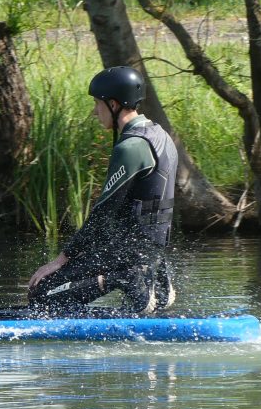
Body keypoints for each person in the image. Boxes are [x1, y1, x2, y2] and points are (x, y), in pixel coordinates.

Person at [27, 66, 178, 315]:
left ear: (114, 104)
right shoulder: (160, 134)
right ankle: (151, 281)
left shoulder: (132, 146)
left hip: (126, 253)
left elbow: (103, 214)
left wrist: (60, 260)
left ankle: (127, 278)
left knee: (41, 293)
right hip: (150, 251)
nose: (95, 111)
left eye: (98, 103)